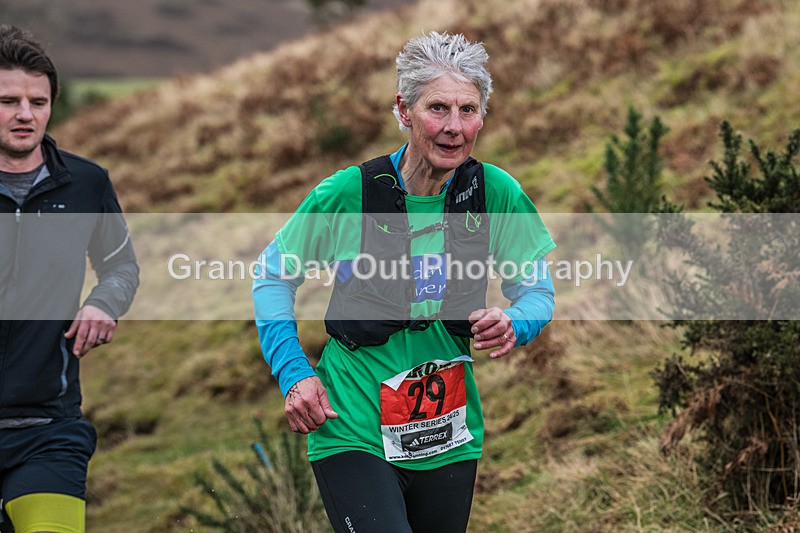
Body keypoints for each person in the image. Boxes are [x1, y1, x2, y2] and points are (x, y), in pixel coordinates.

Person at [253, 31, 555, 532]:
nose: (454, 127)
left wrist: (515, 321)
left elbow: (537, 293)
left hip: (448, 433)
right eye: (438, 108)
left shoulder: (495, 193)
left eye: (468, 110)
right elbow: (271, 276)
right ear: (404, 109)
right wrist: (294, 373)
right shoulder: (350, 193)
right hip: (351, 425)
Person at [0, 25, 139, 533]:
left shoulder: (85, 183)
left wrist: (104, 302)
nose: (24, 114)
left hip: (47, 428)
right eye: (8, 100)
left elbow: (121, 265)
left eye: (38, 101)